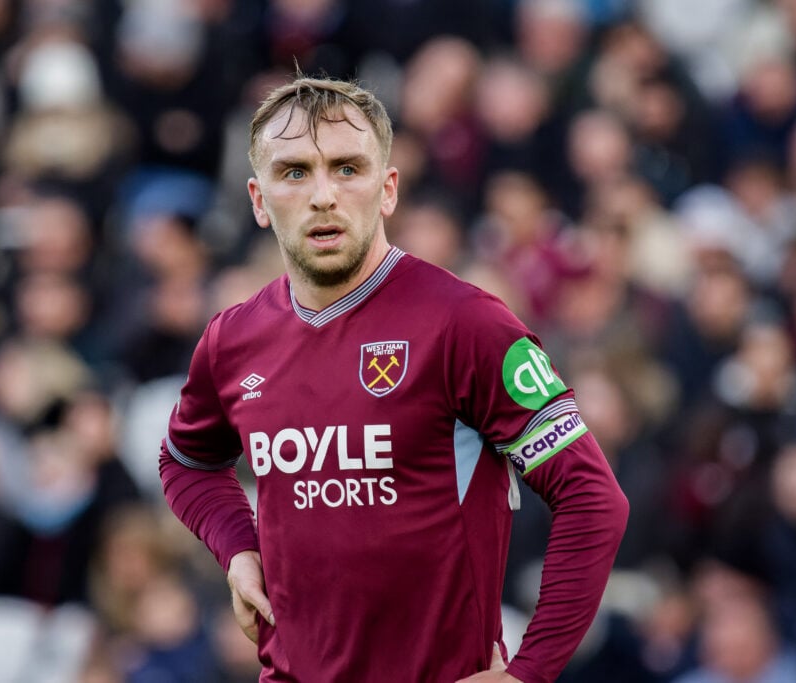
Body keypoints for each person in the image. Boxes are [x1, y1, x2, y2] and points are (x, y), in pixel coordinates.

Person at [158, 75, 629, 682]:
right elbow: (186, 462)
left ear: (388, 190)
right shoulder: (232, 341)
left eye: (347, 168)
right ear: (256, 198)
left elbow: (592, 498)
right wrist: (238, 549)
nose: (323, 195)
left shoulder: (465, 323)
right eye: (295, 172)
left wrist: (528, 673)